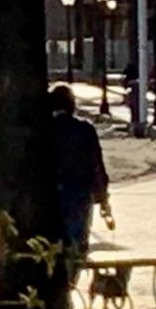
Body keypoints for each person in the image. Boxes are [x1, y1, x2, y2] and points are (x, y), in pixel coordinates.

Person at [52, 84, 111, 262]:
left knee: (55, 240)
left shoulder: (44, 130)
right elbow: (96, 165)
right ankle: (72, 275)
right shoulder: (85, 130)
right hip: (80, 192)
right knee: (78, 239)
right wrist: (103, 196)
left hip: (52, 192)